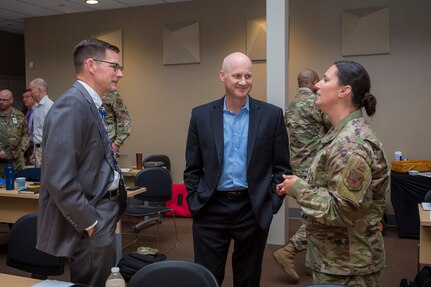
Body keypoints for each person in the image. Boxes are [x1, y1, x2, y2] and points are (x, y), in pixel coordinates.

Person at [276, 60, 389, 287]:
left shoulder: (350, 145)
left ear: (344, 91)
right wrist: (298, 184)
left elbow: (341, 211)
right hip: (336, 260)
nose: (317, 85)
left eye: (326, 80)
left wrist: (298, 188)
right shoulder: (339, 136)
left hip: (348, 268)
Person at [184, 52, 291, 287]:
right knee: (206, 277)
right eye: (237, 76)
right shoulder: (201, 115)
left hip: (252, 208)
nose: (243, 82)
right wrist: (195, 201)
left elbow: (281, 167)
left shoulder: (272, 116)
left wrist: (271, 203)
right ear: (222, 76)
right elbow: (192, 167)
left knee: (248, 278)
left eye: (248, 76)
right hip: (210, 207)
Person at [36, 38, 125, 287]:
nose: (120, 73)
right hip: (92, 216)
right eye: (115, 66)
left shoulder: (89, 103)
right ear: (91, 65)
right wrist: (91, 223)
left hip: (101, 210)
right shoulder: (72, 104)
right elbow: (59, 178)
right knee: (92, 281)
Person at [273, 69, 332, 283]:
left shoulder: (289, 107)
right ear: (314, 82)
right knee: (319, 215)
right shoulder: (316, 103)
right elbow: (332, 129)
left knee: (308, 214)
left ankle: (311, 263)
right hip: (316, 167)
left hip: (296, 168)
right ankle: (289, 251)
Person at [0, 89, 29, 177]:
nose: (1, 102)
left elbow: (25, 133)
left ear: (11, 100)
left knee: (19, 185)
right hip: (1, 160)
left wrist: (22, 149)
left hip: (17, 159)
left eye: (4, 100)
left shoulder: (19, 115)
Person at [29, 78, 54, 168]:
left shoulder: (50, 106)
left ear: (39, 90)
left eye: (31, 89)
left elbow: (53, 132)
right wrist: (35, 152)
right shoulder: (37, 107)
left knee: (44, 179)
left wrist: (47, 155)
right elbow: (38, 131)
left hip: (46, 150)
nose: (30, 92)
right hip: (38, 149)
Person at [102, 90, 131, 155]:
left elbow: (124, 119)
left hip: (108, 143)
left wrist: (117, 144)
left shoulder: (110, 93)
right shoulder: (85, 92)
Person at [22, 88, 35, 165]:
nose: (24, 99)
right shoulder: (24, 112)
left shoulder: (39, 110)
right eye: (23, 97)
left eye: (27, 97)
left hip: (36, 146)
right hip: (27, 148)